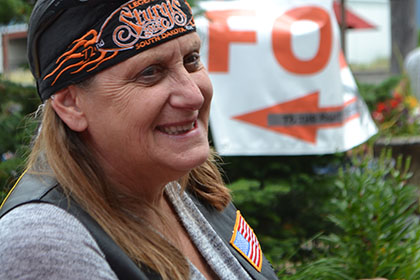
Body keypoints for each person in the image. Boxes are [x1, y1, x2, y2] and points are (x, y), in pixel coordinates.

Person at [0, 1, 278, 279]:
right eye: (150, 72)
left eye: (191, 59)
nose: (194, 95)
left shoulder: (189, 183)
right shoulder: (45, 243)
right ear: (71, 104)